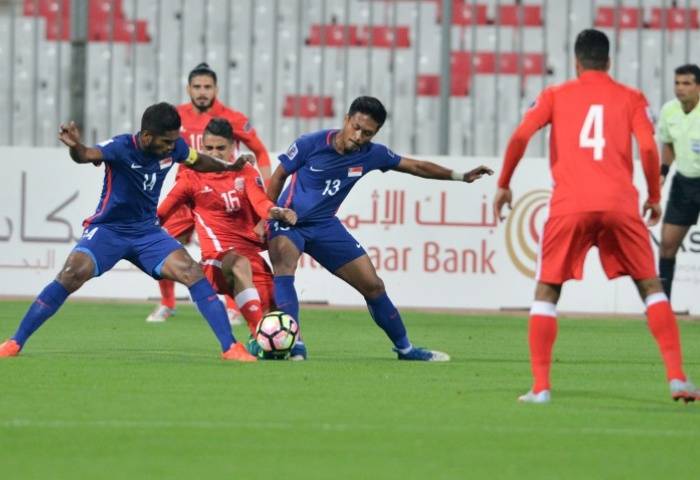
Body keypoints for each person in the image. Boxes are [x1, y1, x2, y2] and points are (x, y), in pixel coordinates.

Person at [493, 29, 698, 403]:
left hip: (570, 204)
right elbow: (650, 149)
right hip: (620, 203)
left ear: (576, 62)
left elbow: (521, 136)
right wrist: (653, 195)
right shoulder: (632, 97)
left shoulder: (555, 95)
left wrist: (504, 183)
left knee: (547, 291)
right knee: (651, 287)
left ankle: (540, 388)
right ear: (608, 61)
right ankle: (678, 378)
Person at [0, 102, 257, 362]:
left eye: (174, 141)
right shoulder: (120, 147)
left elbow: (198, 160)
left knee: (191, 271)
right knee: (71, 273)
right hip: (109, 230)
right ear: (147, 137)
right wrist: (75, 146)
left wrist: (229, 167)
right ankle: (14, 342)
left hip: (147, 233)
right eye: (166, 142)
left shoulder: (175, 147)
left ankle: (230, 347)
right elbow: (87, 155)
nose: (172, 147)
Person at [266, 96, 493, 361]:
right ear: (347, 120)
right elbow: (279, 175)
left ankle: (405, 349)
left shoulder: (372, 154)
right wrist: (268, 213)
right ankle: (294, 345)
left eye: (368, 133)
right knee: (284, 268)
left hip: (325, 226)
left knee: (373, 286)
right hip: (288, 221)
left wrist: (460, 176)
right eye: (356, 127)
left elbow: (415, 166)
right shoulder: (310, 144)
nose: (359, 136)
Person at [147, 62, 273, 324]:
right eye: (197, 87)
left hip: (219, 195)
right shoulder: (176, 118)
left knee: (227, 247)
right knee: (164, 242)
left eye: (207, 87)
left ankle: (235, 305)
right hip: (186, 190)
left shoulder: (232, 119)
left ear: (216, 88)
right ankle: (168, 303)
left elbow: (260, 151)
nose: (202, 92)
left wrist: (267, 190)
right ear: (188, 89)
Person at [157, 118, 296, 337]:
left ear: (233, 147)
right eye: (209, 148)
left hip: (250, 258)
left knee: (274, 318)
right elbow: (162, 213)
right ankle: (254, 330)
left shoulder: (246, 172)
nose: (215, 153)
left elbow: (260, 202)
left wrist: (275, 212)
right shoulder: (190, 178)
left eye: (221, 148)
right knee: (238, 264)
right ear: (201, 148)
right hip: (215, 260)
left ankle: (262, 343)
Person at [657, 64, 700, 301]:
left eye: (686, 83)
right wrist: (664, 170)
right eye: (677, 83)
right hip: (684, 183)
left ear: (698, 87)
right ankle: (662, 305)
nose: (680, 88)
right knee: (667, 245)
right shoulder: (669, 111)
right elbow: (668, 143)